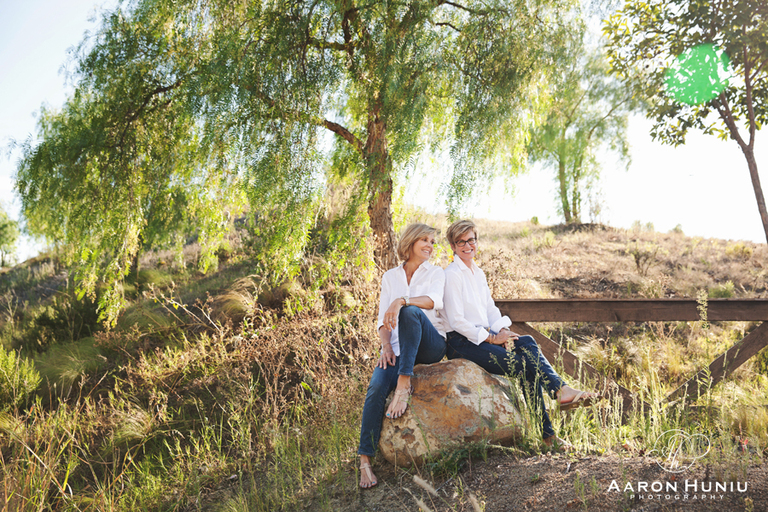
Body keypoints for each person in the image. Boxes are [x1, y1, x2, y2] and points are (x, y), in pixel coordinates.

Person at [442, 219, 598, 448]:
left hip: (483, 336)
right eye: (461, 242)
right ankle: (551, 423)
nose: (467, 245)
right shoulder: (452, 274)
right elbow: (456, 321)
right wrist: (493, 338)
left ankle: (559, 397)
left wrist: (503, 331)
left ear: (477, 241)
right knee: (526, 367)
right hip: (462, 342)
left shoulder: (478, 273)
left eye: (471, 240)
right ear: (453, 246)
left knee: (526, 341)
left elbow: (490, 309)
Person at [358, 223, 447, 489]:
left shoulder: (436, 272)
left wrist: (402, 301)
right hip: (398, 347)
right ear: (410, 242)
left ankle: (404, 383)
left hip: (430, 344)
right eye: (425, 240)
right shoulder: (390, 277)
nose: (430, 246)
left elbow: (434, 301)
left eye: (432, 242)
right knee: (375, 387)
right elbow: (383, 320)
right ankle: (365, 460)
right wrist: (385, 347)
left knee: (409, 311)